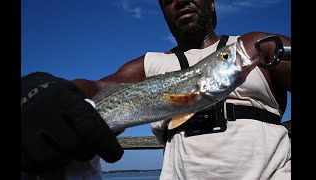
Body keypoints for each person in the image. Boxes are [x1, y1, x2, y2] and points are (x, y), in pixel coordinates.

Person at [22, 0, 291, 179]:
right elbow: (97, 87)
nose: (180, 0)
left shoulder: (251, 46)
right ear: (164, 13)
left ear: (211, 2)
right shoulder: (150, 63)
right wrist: (50, 88)